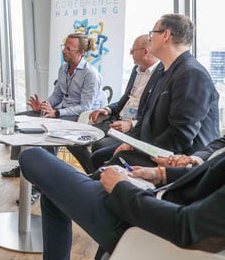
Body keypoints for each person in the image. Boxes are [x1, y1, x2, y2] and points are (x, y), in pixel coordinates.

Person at [19, 145, 225, 260]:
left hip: (139, 225)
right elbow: (211, 175)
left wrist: (121, 189)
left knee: (32, 156)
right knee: (53, 195)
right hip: (151, 203)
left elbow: (188, 227)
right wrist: (161, 174)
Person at [91, 14, 220, 171]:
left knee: (110, 166)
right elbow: (145, 117)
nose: (150, 38)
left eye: (152, 33)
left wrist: (138, 148)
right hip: (153, 146)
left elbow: (180, 136)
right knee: (98, 157)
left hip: (178, 160)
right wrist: (130, 143)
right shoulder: (162, 71)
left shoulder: (191, 74)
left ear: (166, 35)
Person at [4, 33, 104, 176]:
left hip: (79, 117)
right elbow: (57, 95)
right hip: (62, 112)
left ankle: (45, 174)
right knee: (20, 119)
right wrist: (44, 105)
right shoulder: (63, 69)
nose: (64, 51)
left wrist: (56, 113)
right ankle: (22, 165)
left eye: (69, 49)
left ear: (81, 52)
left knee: (49, 127)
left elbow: (85, 107)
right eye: (64, 47)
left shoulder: (90, 74)